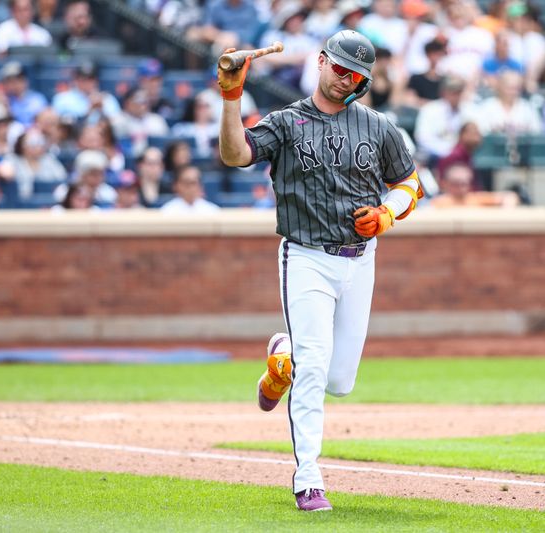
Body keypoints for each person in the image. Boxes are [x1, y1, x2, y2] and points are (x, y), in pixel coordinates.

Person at [218, 30, 421, 512]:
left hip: (359, 259)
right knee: (312, 373)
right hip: (306, 255)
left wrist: (388, 213)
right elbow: (236, 154)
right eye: (340, 68)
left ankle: (281, 353)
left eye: (357, 75)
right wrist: (231, 96)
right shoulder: (287, 122)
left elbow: (410, 182)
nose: (345, 79)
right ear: (322, 62)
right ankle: (308, 478)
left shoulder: (376, 125)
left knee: (339, 380)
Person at [430, 162, 519, 207]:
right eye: (455, 183)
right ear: (445, 184)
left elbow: (510, 197)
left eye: (464, 183)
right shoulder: (438, 203)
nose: (460, 187)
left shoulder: (476, 198)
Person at [0, 61, 47, 128]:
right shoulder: (4, 100)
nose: (13, 85)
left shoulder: (37, 99)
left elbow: (42, 123)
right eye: (9, 81)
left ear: (25, 80)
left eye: (17, 80)